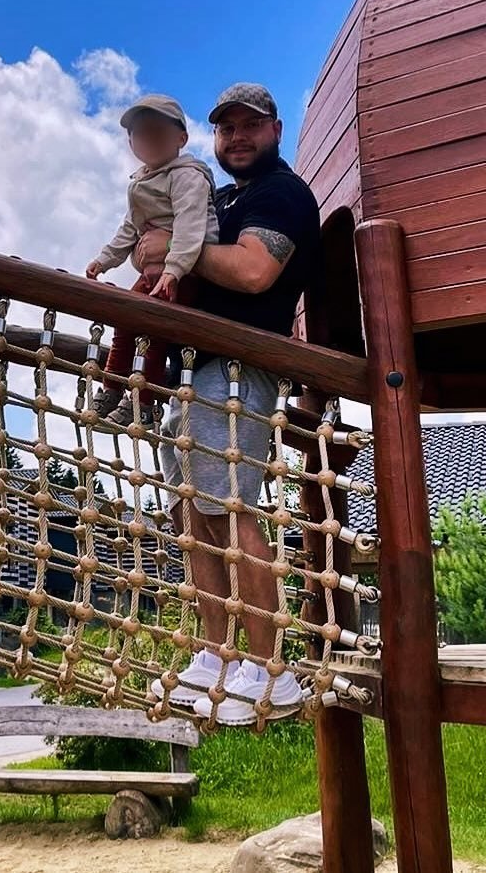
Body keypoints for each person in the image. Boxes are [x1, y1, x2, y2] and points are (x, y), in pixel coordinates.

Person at [140, 83, 321, 725]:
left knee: (233, 511)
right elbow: (154, 239)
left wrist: (177, 251)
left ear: (275, 131)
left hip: (238, 370)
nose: (237, 137)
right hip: (194, 371)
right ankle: (217, 656)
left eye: (250, 125)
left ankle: (270, 669)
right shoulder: (217, 198)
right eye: (226, 128)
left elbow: (252, 272)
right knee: (194, 515)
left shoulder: (281, 193)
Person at [85, 94, 219, 426]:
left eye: (158, 133)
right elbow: (130, 228)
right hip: (153, 272)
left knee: (155, 333)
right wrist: (105, 259)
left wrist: (174, 269)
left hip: (184, 272)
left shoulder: (187, 176)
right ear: (131, 142)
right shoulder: (141, 182)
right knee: (125, 320)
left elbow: (190, 225)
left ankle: (142, 403)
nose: (149, 140)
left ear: (181, 139)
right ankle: (112, 387)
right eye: (141, 134)